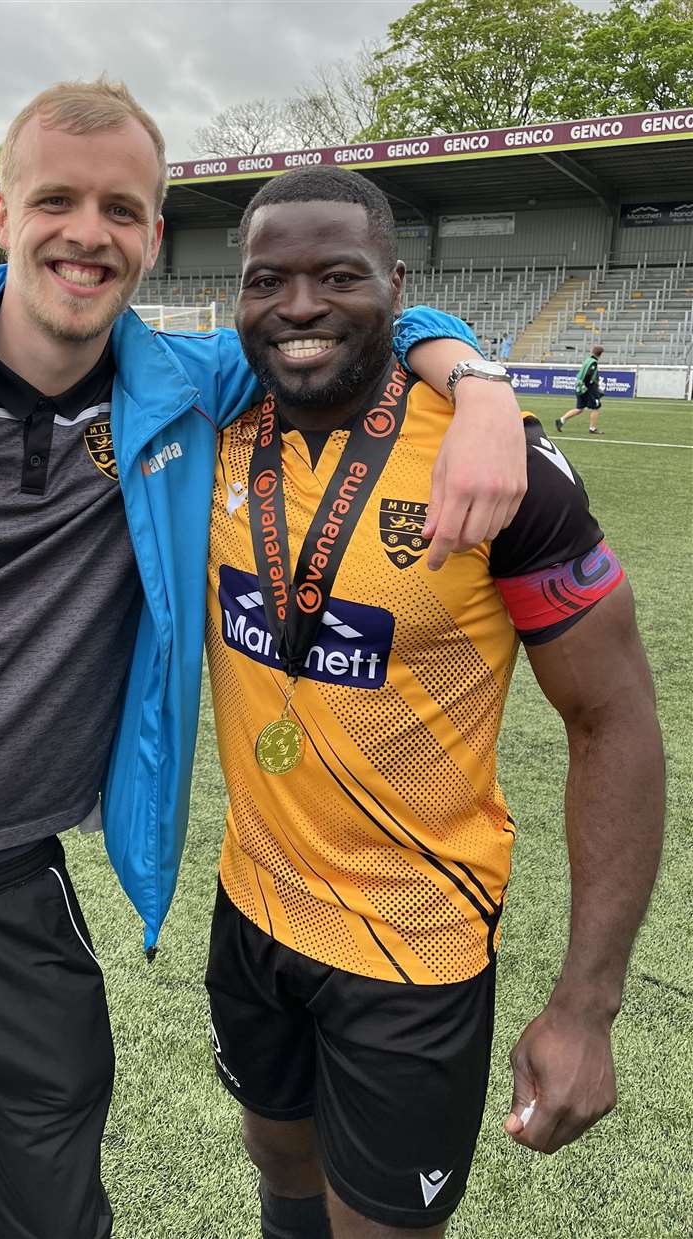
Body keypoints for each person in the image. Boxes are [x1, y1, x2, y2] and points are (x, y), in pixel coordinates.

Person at [0, 80, 526, 1239]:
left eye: (122, 208)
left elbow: (340, 319)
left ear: (155, 237)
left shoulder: (179, 392)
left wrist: (476, 376)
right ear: (3, 216)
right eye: (55, 199)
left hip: (26, 898)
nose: (87, 232)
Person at [200, 168, 663, 1239]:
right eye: (269, 278)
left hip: (413, 947)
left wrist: (588, 1006)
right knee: (277, 1156)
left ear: (395, 285)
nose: (301, 304)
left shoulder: (502, 468)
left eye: (338, 275)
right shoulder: (215, 420)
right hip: (251, 904)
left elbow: (615, 720)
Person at [556, 343, 605, 434]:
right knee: (596, 407)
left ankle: (561, 420)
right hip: (586, 388)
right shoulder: (593, 363)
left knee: (580, 408)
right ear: (601, 354)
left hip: (579, 386)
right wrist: (590, 388)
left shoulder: (588, 360)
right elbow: (588, 375)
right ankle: (592, 428)